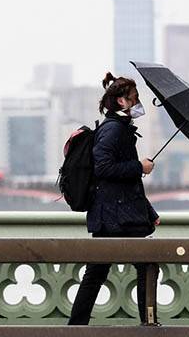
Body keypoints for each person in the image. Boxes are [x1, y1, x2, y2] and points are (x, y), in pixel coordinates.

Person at [68, 72, 160, 325]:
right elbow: (103, 169)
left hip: (116, 213)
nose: (137, 103)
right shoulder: (113, 130)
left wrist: (150, 213)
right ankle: (148, 324)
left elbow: (126, 185)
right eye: (134, 98)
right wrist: (139, 166)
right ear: (122, 101)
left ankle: (76, 327)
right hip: (115, 216)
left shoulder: (120, 128)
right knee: (146, 266)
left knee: (98, 272)